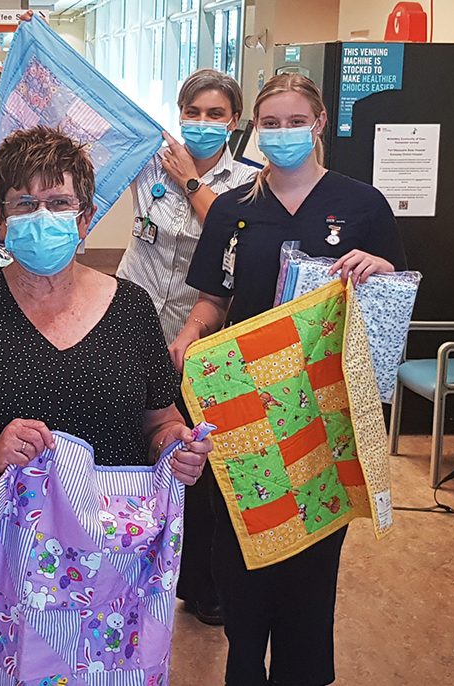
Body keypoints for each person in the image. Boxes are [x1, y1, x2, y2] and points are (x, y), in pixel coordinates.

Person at [0, 127, 212, 664]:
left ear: (85, 218)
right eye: (25, 204)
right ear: (1, 221)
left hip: (109, 576)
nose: (43, 217)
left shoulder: (131, 312)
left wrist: (176, 446)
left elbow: (161, 421)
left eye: (60, 202)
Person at [177, 73, 407, 685]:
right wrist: (186, 336)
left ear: (320, 123)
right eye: (269, 124)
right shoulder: (233, 210)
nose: (282, 134)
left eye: (294, 122)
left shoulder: (363, 206)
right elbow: (212, 299)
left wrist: (379, 267)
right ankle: (244, 662)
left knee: (312, 555)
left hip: (323, 411)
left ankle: (303, 672)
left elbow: (391, 298)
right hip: (244, 409)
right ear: (254, 128)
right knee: (242, 548)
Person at [117, 68, 258, 627]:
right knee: (131, 442)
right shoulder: (150, 160)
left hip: (201, 332)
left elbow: (235, 242)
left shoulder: (250, 181)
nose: (202, 124)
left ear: (235, 122)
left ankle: (199, 582)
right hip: (131, 316)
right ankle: (126, 568)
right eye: (192, 112)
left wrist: (194, 186)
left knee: (195, 460)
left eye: (215, 114)